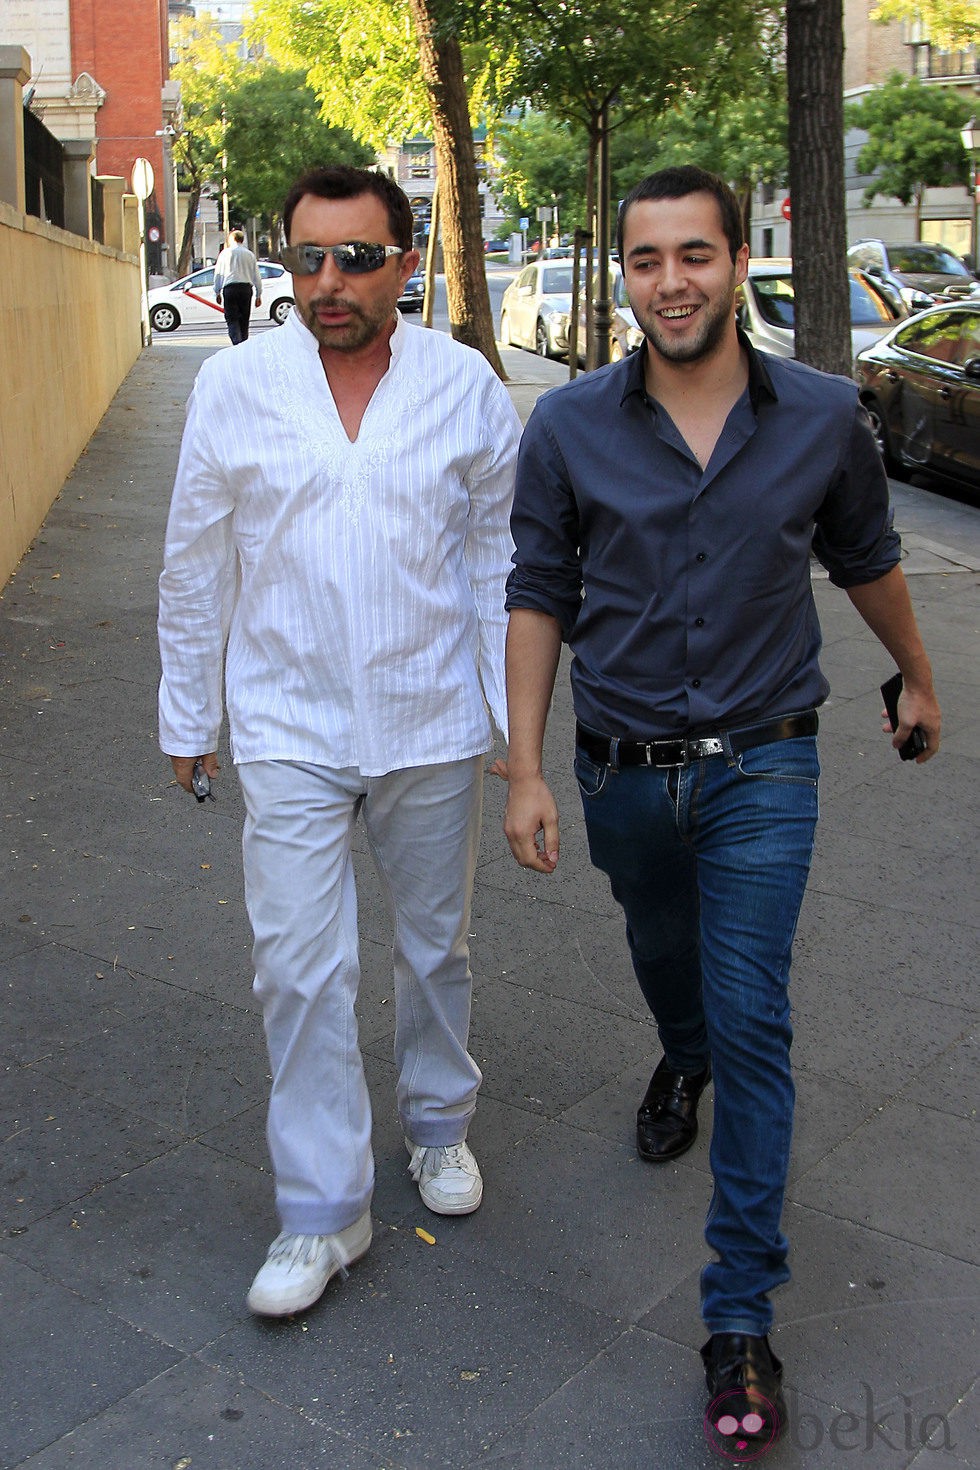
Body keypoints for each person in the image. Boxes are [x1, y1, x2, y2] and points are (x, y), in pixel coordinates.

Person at [501, 165, 940, 1454]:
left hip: (766, 763)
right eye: (646, 260)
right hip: (620, 768)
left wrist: (915, 676)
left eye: (695, 254)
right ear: (623, 274)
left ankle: (738, 1316)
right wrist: (522, 765)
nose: (670, 281)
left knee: (757, 1016)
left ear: (738, 262)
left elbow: (864, 557)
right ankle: (675, 1047)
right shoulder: (569, 426)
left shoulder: (819, 416)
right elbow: (538, 589)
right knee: (660, 952)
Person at [158, 164, 520, 1319]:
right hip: (285, 721)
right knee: (298, 970)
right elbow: (193, 558)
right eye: (306, 258)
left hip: (427, 716)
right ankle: (322, 1211)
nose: (328, 282)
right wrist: (186, 709)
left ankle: (436, 1126)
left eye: (355, 258)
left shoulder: (463, 389)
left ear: (406, 263)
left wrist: (510, 722)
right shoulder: (232, 386)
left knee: (434, 947)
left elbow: (494, 566)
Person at [213, 228, 263, 344]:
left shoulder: (225, 254)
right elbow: (256, 275)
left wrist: (217, 292)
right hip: (246, 289)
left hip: (230, 288)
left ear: (232, 239)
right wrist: (258, 294)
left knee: (232, 318)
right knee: (244, 319)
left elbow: (218, 274)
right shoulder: (250, 255)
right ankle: (243, 342)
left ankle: (236, 342)